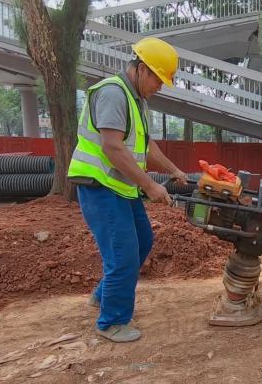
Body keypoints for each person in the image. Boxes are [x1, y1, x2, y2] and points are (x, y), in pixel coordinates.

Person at [67, 37, 187, 343]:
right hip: (100, 186)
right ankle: (111, 322)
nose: (159, 87)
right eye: (158, 80)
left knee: (143, 240)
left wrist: (172, 170)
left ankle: (104, 296)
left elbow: (146, 147)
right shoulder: (113, 93)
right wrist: (150, 185)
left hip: (120, 186)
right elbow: (111, 146)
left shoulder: (136, 100)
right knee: (122, 256)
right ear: (142, 69)